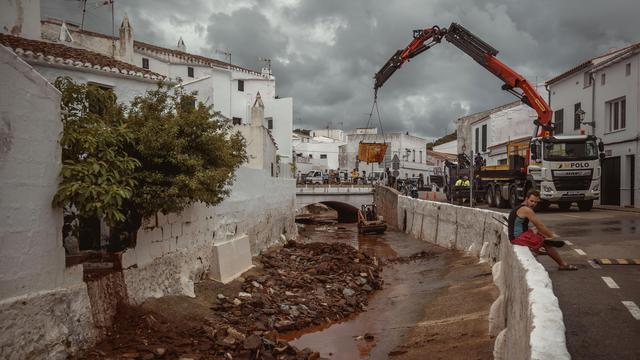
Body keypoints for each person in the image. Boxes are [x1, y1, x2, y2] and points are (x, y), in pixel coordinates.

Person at [508, 190, 577, 271]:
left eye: (536, 202)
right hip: (517, 238)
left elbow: (537, 227)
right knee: (545, 242)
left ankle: (541, 245)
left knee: (538, 231)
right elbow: (540, 225)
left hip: (519, 234)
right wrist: (551, 235)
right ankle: (562, 264)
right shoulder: (526, 210)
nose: (533, 204)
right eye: (531, 201)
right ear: (526, 199)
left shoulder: (521, 207)